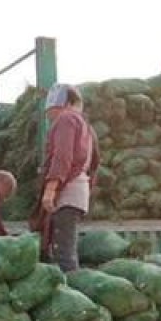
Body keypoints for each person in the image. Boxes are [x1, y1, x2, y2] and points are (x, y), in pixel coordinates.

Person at [30, 83, 100, 272]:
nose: (48, 114)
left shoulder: (66, 119)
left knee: (64, 255)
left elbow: (62, 157)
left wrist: (50, 190)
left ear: (65, 102)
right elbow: (94, 164)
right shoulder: (86, 126)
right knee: (65, 249)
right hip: (78, 193)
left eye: (51, 108)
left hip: (67, 194)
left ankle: (74, 297)